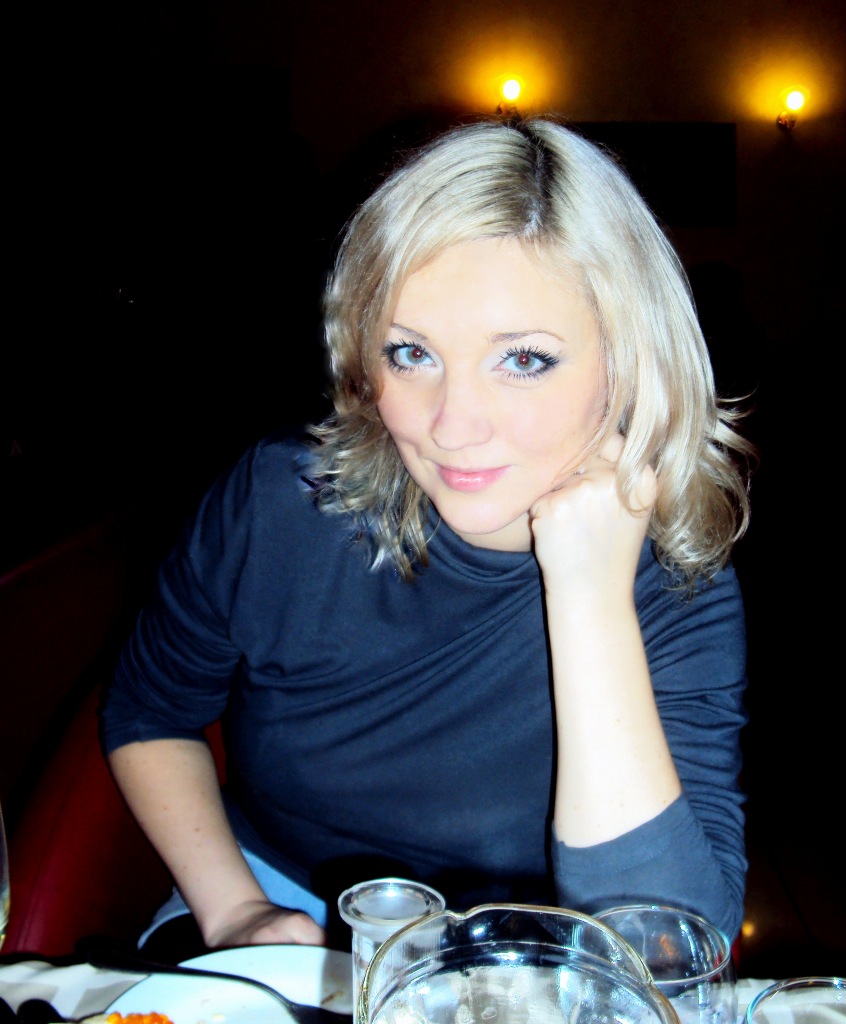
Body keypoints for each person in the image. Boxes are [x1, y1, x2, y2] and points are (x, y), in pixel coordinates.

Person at [100, 115, 756, 959]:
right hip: (280, 909)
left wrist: (592, 600)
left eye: (523, 359)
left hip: (527, 955)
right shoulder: (284, 505)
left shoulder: (678, 583)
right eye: (411, 353)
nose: (452, 424)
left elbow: (666, 948)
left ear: (631, 362)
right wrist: (236, 913)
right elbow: (149, 711)